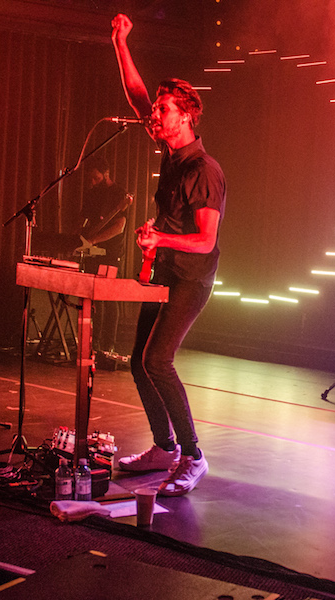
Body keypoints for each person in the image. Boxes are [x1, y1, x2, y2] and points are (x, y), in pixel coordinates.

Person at [110, 13, 226, 497]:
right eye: (155, 110)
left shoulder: (203, 169)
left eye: (162, 110)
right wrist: (120, 43)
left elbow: (205, 240)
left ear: (186, 116)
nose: (153, 116)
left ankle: (194, 456)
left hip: (191, 277)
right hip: (164, 273)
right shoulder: (170, 155)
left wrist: (160, 238)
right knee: (138, 362)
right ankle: (164, 447)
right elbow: (137, 97)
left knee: (158, 360)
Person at [72, 157, 132, 355]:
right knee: (93, 298)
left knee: (110, 297)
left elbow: (119, 226)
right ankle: (93, 343)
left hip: (110, 254)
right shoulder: (92, 194)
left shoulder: (118, 194)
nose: (93, 182)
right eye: (91, 179)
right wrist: (80, 236)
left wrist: (95, 239)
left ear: (106, 174)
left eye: (96, 178)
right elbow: (83, 218)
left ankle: (108, 345)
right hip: (92, 252)